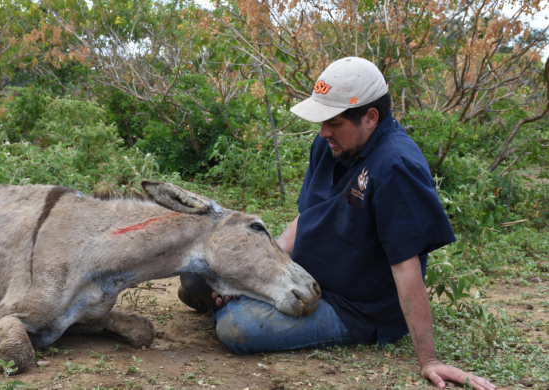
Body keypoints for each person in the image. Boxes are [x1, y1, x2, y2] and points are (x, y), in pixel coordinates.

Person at [178, 57, 496, 390]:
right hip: (303, 274)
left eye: (334, 122)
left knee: (239, 327)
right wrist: (254, 272)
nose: (323, 131)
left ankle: (233, 305)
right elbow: (306, 218)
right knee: (197, 275)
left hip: (354, 306)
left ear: (370, 117)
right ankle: (231, 297)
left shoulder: (396, 167)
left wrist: (430, 360)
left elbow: (406, 268)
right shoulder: (331, 143)